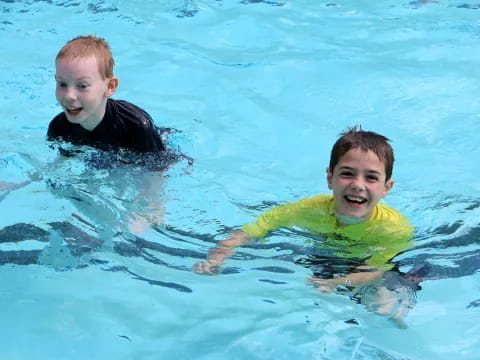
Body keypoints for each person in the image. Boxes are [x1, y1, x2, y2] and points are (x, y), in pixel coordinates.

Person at [193, 126, 415, 322]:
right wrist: (220, 254)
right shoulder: (309, 209)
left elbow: (374, 270)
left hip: (374, 268)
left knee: (383, 307)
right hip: (327, 259)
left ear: (387, 187)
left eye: (371, 178)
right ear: (330, 178)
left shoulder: (394, 228)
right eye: (347, 174)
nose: (358, 185)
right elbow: (257, 227)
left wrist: (338, 281)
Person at [47, 35, 165, 154]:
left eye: (82, 86)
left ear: (109, 87)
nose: (69, 96)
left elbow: (158, 170)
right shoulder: (59, 128)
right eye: (62, 84)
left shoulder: (137, 126)